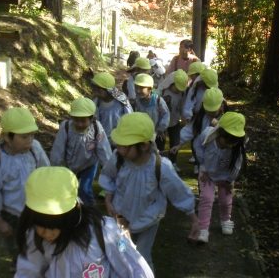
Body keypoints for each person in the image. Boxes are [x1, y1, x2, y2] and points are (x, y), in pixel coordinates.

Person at [99, 113, 199, 270]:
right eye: (118, 144)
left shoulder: (161, 167)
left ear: (144, 145)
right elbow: (108, 176)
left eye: (124, 146)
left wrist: (194, 219)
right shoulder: (118, 158)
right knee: (122, 253)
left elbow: (178, 192)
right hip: (121, 218)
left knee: (142, 257)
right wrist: (108, 200)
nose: (119, 148)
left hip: (148, 219)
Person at [15, 166, 155, 277]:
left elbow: (133, 265)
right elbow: (28, 270)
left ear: (71, 215)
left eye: (53, 226)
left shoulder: (107, 232)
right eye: (40, 226)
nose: (46, 233)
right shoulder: (36, 238)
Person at [0, 107, 50, 264]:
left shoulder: (35, 148)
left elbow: (46, 173)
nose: (29, 141)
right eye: (24, 137)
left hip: (37, 210)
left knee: (42, 247)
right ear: (7, 137)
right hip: (12, 215)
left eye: (32, 135)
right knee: (18, 251)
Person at [193, 112, 247, 244]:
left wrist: (230, 180)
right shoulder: (208, 135)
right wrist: (203, 165)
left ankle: (226, 220)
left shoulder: (237, 148)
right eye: (227, 140)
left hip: (225, 177)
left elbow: (237, 165)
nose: (229, 144)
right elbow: (197, 146)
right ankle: (203, 229)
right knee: (206, 198)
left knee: (226, 200)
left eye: (233, 141)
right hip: (207, 174)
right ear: (220, 132)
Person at [50, 97, 112, 205]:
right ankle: (71, 210)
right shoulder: (66, 127)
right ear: (71, 118)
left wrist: (110, 171)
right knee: (67, 188)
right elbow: (58, 149)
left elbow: (104, 150)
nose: (79, 124)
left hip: (89, 164)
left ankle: (90, 211)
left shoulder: (97, 128)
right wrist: (56, 169)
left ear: (92, 118)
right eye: (76, 120)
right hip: (69, 165)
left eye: (83, 121)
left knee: (84, 189)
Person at [171, 87, 228, 174]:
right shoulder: (201, 117)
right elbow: (189, 130)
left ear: (222, 105)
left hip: (219, 160)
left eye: (213, 111)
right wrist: (178, 144)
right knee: (204, 184)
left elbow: (232, 137)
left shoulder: (228, 119)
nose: (210, 114)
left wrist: (218, 126)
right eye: (208, 110)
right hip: (202, 160)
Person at [157, 69, 189, 170]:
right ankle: (159, 163)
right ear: (171, 83)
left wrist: (184, 117)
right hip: (161, 122)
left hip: (174, 121)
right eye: (177, 88)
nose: (178, 90)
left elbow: (182, 106)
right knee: (160, 143)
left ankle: (173, 162)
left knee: (175, 142)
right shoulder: (162, 91)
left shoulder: (182, 93)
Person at [132, 73, 170, 152]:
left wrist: (161, 128)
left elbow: (166, 114)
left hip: (157, 133)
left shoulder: (158, 100)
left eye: (141, 88)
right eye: (136, 87)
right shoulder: (136, 101)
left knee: (157, 153)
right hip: (142, 134)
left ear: (150, 89)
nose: (138, 91)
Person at [91, 71, 133, 140]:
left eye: (99, 89)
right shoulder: (96, 103)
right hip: (103, 141)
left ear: (108, 90)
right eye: (95, 88)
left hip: (120, 139)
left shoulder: (121, 101)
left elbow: (130, 117)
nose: (96, 91)